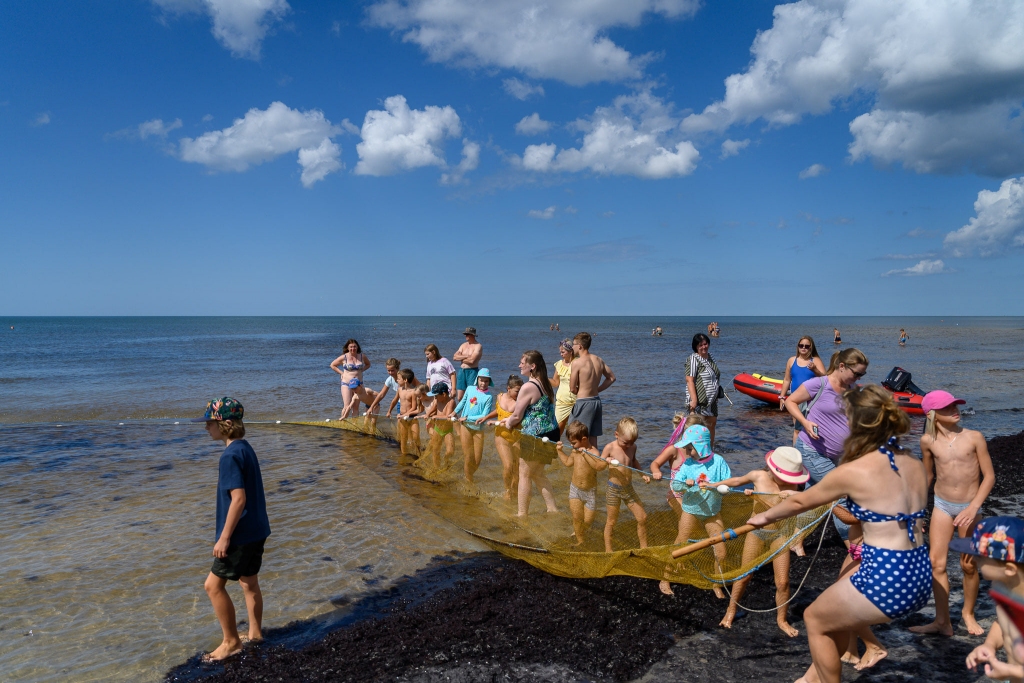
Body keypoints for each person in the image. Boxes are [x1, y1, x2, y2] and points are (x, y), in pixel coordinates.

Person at [748, 385, 931, 683]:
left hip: (888, 576)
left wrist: (763, 517)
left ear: (857, 424)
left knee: (815, 618)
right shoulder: (914, 463)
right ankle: (812, 678)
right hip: (920, 574)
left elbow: (798, 501)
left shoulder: (856, 470)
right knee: (834, 614)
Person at [910, 390, 995, 637]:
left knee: (968, 565)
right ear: (933, 414)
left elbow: (989, 476)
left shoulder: (974, 437)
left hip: (970, 507)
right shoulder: (927, 441)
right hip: (942, 506)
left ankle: (968, 614)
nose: (955, 410)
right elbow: (927, 476)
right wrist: (917, 511)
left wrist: (973, 507)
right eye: (947, 408)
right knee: (937, 564)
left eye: (955, 405)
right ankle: (942, 622)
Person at [193, 398, 270, 663]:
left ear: (225, 424)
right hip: (257, 529)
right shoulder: (245, 448)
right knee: (249, 583)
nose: (206, 428)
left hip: (239, 535)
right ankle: (256, 634)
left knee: (212, 586)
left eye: (209, 423)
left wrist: (224, 537)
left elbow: (238, 499)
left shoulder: (229, 456)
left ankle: (231, 641)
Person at [709, 447, 809, 637]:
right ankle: (730, 612)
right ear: (774, 470)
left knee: (783, 582)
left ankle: (782, 619)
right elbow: (736, 481)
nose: (789, 482)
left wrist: (788, 497)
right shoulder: (758, 476)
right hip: (756, 533)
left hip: (780, 536)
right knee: (745, 576)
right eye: (787, 477)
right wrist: (713, 485)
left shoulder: (792, 488)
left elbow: (806, 499)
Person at [783, 347, 870, 543]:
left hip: (837, 455)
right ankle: (853, 544)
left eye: (862, 374)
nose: (858, 378)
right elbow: (791, 401)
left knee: (812, 500)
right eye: (856, 373)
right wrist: (805, 422)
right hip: (812, 451)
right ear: (841, 366)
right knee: (842, 493)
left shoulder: (852, 391)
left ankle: (792, 539)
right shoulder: (818, 384)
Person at [668, 424, 732, 599]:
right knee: (680, 544)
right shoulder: (688, 464)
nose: (687, 453)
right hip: (691, 510)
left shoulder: (718, 462)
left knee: (721, 551)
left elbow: (729, 483)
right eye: (686, 449)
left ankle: (716, 583)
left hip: (712, 512)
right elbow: (675, 484)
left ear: (702, 446)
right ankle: (665, 577)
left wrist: (718, 486)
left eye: (690, 448)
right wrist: (684, 483)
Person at [961, 517, 1024, 680]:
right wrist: (990, 645)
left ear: (1009, 569)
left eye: (981, 557)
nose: (974, 560)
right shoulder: (1006, 590)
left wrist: (1013, 672)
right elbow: (1004, 623)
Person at [502, 350, 560, 516]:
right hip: (552, 433)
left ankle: (522, 514)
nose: (520, 365)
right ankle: (553, 509)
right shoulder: (545, 383)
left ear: (532, 366)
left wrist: (507, 423)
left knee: (525, 474)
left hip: (536, 436)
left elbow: (517, 416)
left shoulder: (528, 386)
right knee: (538, 473)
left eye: (523, 362)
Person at [555, 421, 608, 546]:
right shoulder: (575, 451)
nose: (572, 446)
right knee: (577, 518)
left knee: (587, 521)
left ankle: (580, 531)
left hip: (590, 492)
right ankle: (580, 541)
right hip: (575, 489)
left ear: (584, 439)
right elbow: (568, 463)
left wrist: (586, 454)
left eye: (574, 443)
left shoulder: (594, 452)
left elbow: (598, 467)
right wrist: (560, 451)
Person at [603, 417, 651, 553]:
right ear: (616, 434)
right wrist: (605, 460)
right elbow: (598, 465)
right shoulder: (610, 447)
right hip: (613, 489)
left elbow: (634, 461)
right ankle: (608, 550)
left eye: (632, 442)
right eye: (626, 443)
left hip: (628, 489)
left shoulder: (632, 447)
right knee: (611, 521)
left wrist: (643, 474)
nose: (629, 446)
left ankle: (644, 547)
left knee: (642, 517)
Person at [569, 331, 615, 448]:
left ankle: (579, 464)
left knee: (575, 434)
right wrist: (597, 389)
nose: (572, 347)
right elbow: (611, 378)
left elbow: (572, 388)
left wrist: (580, 392)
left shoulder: (577, 363)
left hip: (583, 402)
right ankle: (594, 463)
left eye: (573, 344)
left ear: (579, 346)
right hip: (596, 401)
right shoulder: (598, 360)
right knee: (593, 438)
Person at [781, 336, 827, 446]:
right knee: (797, 428)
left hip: (811, 399)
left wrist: (815, 369)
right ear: (798, 347)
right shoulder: (792, 361)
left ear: (811, 348)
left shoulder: (815, 360)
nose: (804, 348)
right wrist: (782, 397)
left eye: (807, 346)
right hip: (795, 400)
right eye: (801, 345)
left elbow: (825, 378)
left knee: (811, 427)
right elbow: (787, 380)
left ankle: (811, 450)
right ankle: (796, 454)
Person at [453, 369, 495, 482]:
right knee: (468, 456)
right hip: (465, 426)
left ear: (489, 382)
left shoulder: (488, 397)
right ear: (477, 379)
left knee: (477, 459)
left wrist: (467, 417)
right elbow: (462, 402)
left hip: (478, 429)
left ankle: (468, 475)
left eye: (486, 381)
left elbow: (484, 415)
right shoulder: (470, 389)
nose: (483, 383)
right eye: (481, 380)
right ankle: (469, 480)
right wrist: (454, 412)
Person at [486, 375, 523, 500]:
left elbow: (518, 421)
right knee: (508, 466)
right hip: (501, 436)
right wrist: (486, 418)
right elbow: (499, 412)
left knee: (517, 470)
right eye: (517, 391)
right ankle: (507, 490)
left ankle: (515, 491)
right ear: (509, 388)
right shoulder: (500, 397)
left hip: (517, 437)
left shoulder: (521, 402)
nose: (519, 394)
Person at [684, 333, 722, 446]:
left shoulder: (710, 357)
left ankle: (710, 450)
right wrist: (694, 400)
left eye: (705, 344)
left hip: (712, 400)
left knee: (711, 425)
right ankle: (694, 452)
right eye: (700, 345)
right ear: (696, 347)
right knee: (697, 428)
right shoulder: (693, 358)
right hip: (699, 400)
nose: (703, 347)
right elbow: (689, 380)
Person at [330, 339, 373, 419]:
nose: (353, 348)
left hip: (359, 385)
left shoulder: (361, 356)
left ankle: (354, 424)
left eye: (354, 346)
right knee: (347, 406)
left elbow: (368, 364)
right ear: (347, 347)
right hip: (346, 384)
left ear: (357, 347)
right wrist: (342, 373)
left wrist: (361, 370)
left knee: (356, 407)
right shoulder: (344, 357)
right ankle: (343, 423)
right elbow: (332, 365)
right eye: (351, 347)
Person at [423, 383, 456, 469]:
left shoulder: (451, 402)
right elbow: (434, 408)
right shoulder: (437, 400)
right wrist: (428, 414)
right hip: (437, 429)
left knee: (450, 451)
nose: (435, 398)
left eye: (436, 396)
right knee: (435, 450)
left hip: (448, 431)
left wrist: (436, 416)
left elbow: (448, 416)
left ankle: (446, 461)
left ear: (444, 394)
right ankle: (436, 467)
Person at [549, 338, 577, 433]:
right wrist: (543, 377)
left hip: (577, 401)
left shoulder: (578, 363)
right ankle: (554, 447)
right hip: (562, 401)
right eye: (560, 352)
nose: (561, 354)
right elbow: (555, 383)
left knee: (575, 429)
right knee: (557, 428)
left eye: (563, 352)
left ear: (570, 351)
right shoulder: (559, 364)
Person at [396, 369, 424, 455]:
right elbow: (395, 400)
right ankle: (404, 454)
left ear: (405, 380)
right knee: (403, 438)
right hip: (402, 417)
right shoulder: (400, 389)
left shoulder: (413, 392)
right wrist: (390, 411)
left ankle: (419, 453)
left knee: (415, 437)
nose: (397, 380)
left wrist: (406, 414)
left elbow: (414, 407)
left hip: (412, 417)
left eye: (398, 378)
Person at [452, 327, 483, 402]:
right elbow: (454, 357)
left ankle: (470, 412)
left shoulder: (478, 346)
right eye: (465, 334)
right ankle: (463, 413)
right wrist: (466, 356)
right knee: (460, 397)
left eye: (467, 334)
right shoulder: (463, 345)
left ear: (473, 335)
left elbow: (472, 360)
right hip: (462, 371)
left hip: (472, 371)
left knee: (471, 396)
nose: (466, 336)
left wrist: (461, 358)